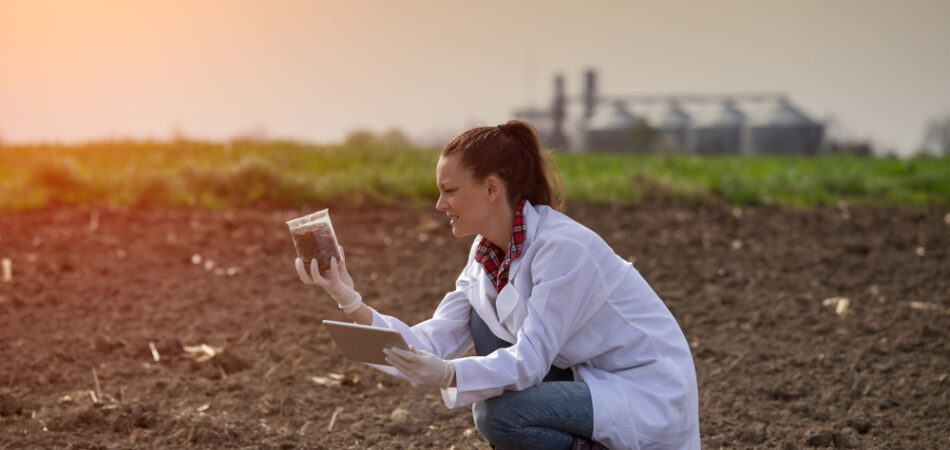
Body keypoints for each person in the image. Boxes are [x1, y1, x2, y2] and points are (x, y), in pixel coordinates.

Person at [295, 120, 700, 449]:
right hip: (587, 379)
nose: (439, 206)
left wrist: (450, 373)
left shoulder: (563, 249)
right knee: (485, 322)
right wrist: (347, 298)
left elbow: (530, 360)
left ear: (491, 189)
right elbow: (428, 344)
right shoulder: (484, 255)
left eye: (449, 191)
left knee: (499, 415)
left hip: (643, 391)